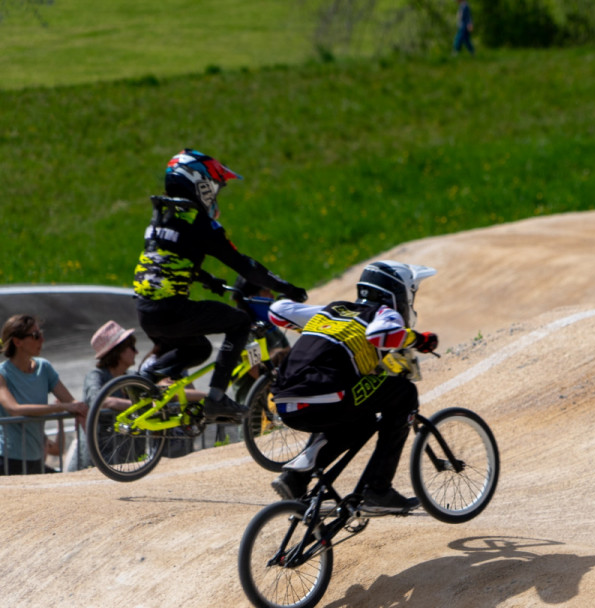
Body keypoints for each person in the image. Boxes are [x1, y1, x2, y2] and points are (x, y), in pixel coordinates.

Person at [133, 148, 307, 422]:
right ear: (199, 184)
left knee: (199, 349)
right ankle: (215, 398)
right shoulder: (199, 222)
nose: (215, 194)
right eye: (214, 187)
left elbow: (168, 261)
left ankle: (150, 373)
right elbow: (245, 266)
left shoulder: (161, 216)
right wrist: (287, 288)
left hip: (145, 311)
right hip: (173, 311)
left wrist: (207, 279)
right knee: (238, 322)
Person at [266, 261, 440, 513]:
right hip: (325, 395)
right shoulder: (383, 313)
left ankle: (296, 478)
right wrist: (420, 340)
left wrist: (313, 326)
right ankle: (377, 491)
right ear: (398, 293)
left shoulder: (330, 311)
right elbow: (382, 336)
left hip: (284, 401)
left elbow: (277, 311)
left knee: (363, 419)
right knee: (404, 393)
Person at [0, 315, 88, 475]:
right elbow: (14, 409)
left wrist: (79, 410)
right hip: (7, 458)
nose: (42, 339)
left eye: (41, 333)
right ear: (17, 342)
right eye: (35, 335)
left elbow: (70, 400)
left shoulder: (44, 367)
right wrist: (61, 407)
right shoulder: (2, 373)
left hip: (37, 457)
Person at [69, 320, 140, 471]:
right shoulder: (96, 376)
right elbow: (99, 400)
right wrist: (137, 406)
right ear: (118, 351)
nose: (136, 352)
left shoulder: (132, 377)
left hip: (123, 460)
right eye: (131, 347)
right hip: (95, 459)